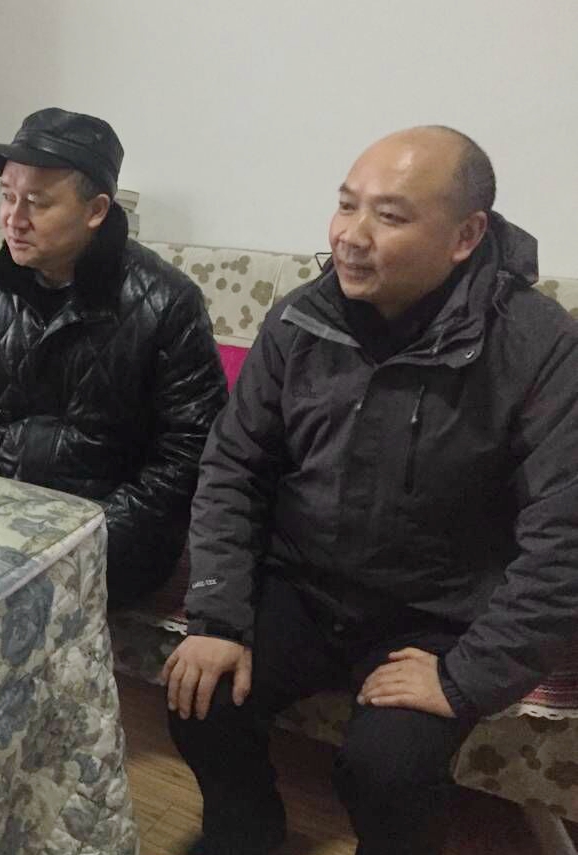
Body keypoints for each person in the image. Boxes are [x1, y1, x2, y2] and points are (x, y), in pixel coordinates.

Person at [163, 126, 578, 855]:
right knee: (199, 695)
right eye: (346, 204)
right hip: (305, 583)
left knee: (386, 769)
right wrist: (217, 615)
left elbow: (564, 537)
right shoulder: (301, 317)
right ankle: (245, 831)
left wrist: (466, 677)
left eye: (388, 216)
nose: (351, 236)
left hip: (440, 609)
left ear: (466, 235)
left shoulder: (538, 345)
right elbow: (233, 465)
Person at [0, 108, 227, 607]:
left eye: (37, 202)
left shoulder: (167, 302)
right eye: (7, 196)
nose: (14, 219)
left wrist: (85, 534)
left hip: (117, 536)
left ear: (96, 210)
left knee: (16, 602)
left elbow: (189, 452)